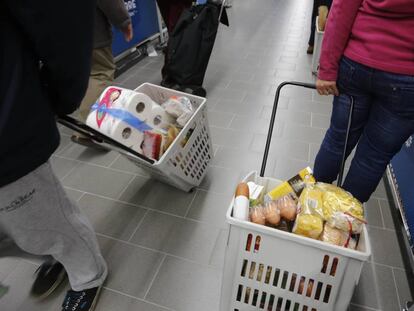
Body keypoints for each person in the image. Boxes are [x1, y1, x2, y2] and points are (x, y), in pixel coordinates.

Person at [1, 1, 108, 311]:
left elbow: (61, 13)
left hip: (6, 135)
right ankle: (54, 254)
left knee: (41, 219)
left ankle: (88, 273)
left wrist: (63, 93)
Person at [314, 0, 414, 203]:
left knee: (337, 140)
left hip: (356, 65)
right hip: (407, 76)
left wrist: (327, 68)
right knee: (373, 157)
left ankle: (310, 206)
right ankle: (341, 223)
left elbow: (342, 9)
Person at [72, 0, 133, 148]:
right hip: (90, 31)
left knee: (84, 75)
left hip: (62, 34)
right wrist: (124, 21)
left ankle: (88, 120)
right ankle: (86, 130)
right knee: (100, 73)